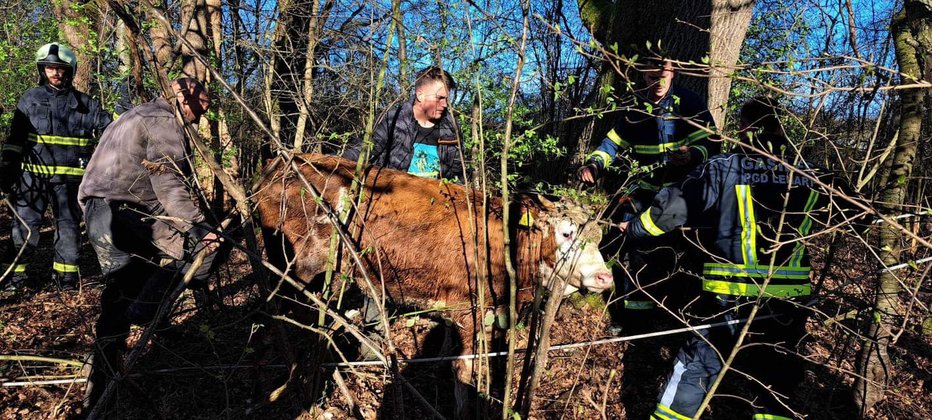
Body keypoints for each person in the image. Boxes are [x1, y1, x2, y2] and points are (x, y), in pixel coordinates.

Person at [619, 96, 864, 419]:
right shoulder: (810, 173)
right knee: (776, 387)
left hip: (728, 299)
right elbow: (859, 213)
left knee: (694, 373)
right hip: (786, 306)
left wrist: (634, 228)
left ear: (745, 128)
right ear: (780, 129)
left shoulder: (724, 168)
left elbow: (670, 212)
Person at [77, 77, 222, 410]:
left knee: (120, 290)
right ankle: (149, 311)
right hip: (129, 212)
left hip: (99, 213)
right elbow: (168, 182)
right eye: (203, 106)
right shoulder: (163, 120)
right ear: (186, 99)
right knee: (205, 252)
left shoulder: (133, 114)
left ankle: (102, 376)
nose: (202, 117)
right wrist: (200, 227)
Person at [578, 58, 718, 326]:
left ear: (672, 72)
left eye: (662, 75)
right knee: (627, 245)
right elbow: (612, 142)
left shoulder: (689, 103)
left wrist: (691, 155)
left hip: (682, 198)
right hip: (644, 193)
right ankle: (632, 318)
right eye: (650, 77)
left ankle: (671, 319)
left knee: (671, 255)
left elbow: (712, 144)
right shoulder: (636, 109)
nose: (657, 82)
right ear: (642, 77)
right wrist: (595, 165)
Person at [0, 42, 111, 292]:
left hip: (71, 182)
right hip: (32, 181)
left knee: (69, 230)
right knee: (24, 229)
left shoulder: (87, 104)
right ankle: (13, 280)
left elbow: (111, 132)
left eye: (60, 68)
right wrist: (7, 170)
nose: (55, 73)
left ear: (69, 70)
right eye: (50, 68)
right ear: (43, 69)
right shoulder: (30, 99)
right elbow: (15, 139)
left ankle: (66, 281)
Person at [344, 66, 465, 183]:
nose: (444, 104)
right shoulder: (393, 119)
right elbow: (364, 149)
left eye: (446, 99)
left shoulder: (451, 128)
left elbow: (458, 174)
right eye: (440, 98)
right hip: (392, 199)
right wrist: (329, 163)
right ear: (420, 95)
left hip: (436, 200)